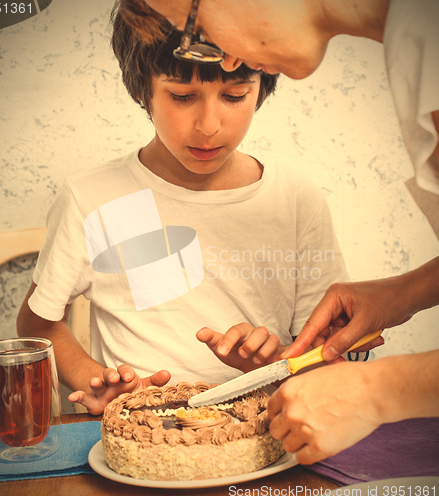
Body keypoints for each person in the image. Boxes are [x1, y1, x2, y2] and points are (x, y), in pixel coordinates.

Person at [119, 0, 439, 464]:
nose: (228, 60)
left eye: (197, 27)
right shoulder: (420, 38)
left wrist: (374, 390)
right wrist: (408, 291)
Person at [16, 2, 354, 416]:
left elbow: (322, 352)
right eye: (182, 95)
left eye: (234, 96)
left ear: (261, 86)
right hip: (142, 432)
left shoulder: (296, 200)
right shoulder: (91, 197)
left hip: (265, 433)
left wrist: (273, 363)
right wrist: (99, 382)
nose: (209, 125)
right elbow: (38, 323)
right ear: (143, 90)